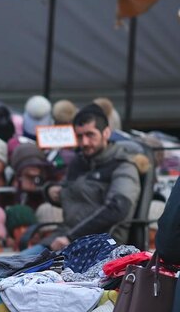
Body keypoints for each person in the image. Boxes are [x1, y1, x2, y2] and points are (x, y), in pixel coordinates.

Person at [41, 105, 141, 251]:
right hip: (64, 239)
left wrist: (71, 237)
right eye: (80, 136)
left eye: (90, 135)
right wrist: (50, 191)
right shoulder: (78, 162)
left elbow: (117, 209)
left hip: (101, 246)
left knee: (22, 268)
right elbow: (69, 195)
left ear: (106, 133)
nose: (84, 142)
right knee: (9, 266)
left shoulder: (123, 165)